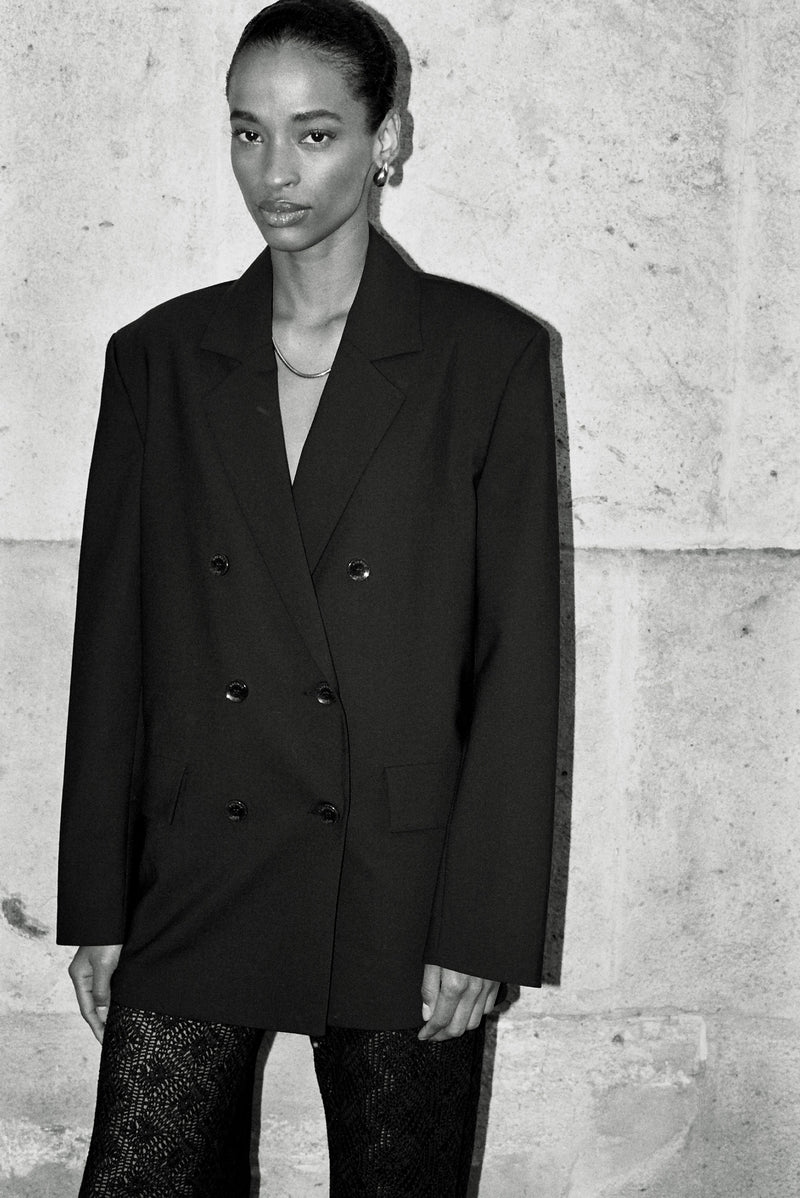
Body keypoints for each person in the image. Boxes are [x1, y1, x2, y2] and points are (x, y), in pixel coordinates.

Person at [57, 0, 560, 1193]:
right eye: (247, 131)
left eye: (314, 133)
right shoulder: (158, 358)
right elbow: (113, 645)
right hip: (199, 855)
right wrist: (99, 900)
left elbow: (516, 658)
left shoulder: (483, 355)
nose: (272, 171)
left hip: (398, 873)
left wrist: (479, 924)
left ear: (387, 140)